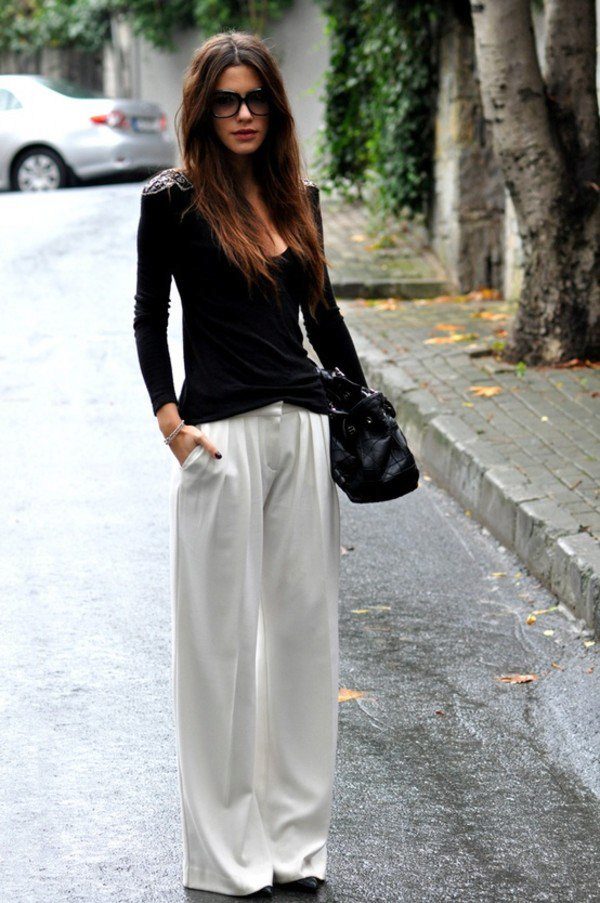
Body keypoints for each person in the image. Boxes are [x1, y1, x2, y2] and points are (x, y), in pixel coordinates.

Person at [133, 30, 368, 899]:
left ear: (275, 105)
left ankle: (295, 846)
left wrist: (365, 416)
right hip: (219, 439)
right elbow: (148, 315)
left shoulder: (297, 196)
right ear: (204, 107)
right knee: (218, 649)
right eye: (227, 99)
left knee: (304, 640)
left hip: (301, 430)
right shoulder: (173, 200)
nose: (243, 113)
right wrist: (171, 423)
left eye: (256, 97)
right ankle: (226, 858)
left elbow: (326, 319)